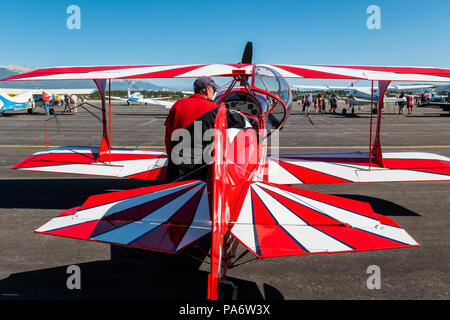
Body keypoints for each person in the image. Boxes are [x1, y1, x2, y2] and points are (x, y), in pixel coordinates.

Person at [164, 76, 245, 182]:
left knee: (173, 196)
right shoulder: (213, 109)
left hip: (175, 164)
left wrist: (171, 157)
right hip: (198, 167)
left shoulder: (178, 104)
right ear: (207, 90)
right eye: (214, 90)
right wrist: (236, 113)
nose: (214, 92)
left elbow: (168, 135)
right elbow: (240, 122)